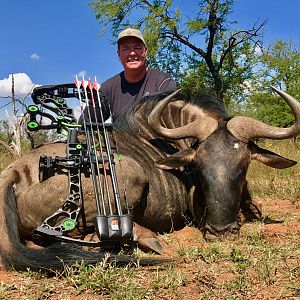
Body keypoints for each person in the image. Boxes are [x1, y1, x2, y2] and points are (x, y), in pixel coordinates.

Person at [81, 28, 177, 124]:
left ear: (145, 51)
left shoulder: (164, 83)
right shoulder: (107, 88)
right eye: (125, 49)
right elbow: (85, 123)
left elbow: (172, 122)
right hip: (119, 138)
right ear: (118, 54)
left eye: (137, 48)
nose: (132, 53)